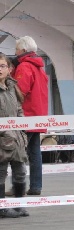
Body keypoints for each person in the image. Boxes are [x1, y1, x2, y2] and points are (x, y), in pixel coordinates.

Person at [6, 36, 48, 197]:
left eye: (16, 49)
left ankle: (18, 187)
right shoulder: (39, 67)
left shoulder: (24, 67)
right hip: (38, 116)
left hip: (26, 116)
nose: (15, 53)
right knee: (35, 153)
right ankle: (36, 186)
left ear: (23, 51)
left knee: (18, 153)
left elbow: (19, 92)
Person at [0, 53, 28, 218]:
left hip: (17, 138)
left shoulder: (12, 87)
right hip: (1, 138)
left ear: (9, 69)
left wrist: (23, 128)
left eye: (3, 66)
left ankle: (20, 205)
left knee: (20, 172)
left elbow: (19, 109)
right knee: (1, 173)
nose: (0, 69)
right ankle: (2, 208)